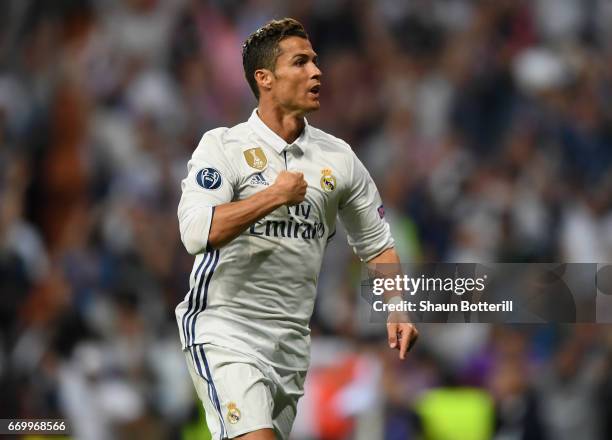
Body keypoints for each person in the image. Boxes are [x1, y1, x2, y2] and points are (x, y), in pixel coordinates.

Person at [176, 17, 418, 440]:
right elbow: (197, 231)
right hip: (226, 329)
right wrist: (271, 196)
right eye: (301, 62)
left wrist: (396, 305)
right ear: (265, 78)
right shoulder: (223, 147)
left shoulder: (338, 158)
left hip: (290, 346)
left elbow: (377, 242)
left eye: (316, 61)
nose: (316, 72)